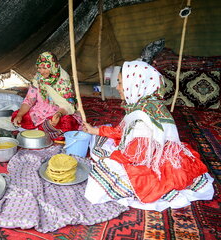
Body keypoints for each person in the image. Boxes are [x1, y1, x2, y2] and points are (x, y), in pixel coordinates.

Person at [83, 60, 214, 211]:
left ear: (135, 84)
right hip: (146, 150)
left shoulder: (144, 120)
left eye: (120, 83)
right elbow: (123, 131)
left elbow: (137, 158)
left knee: (103, 174)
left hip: (152, 163)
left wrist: (111, 158)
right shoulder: (144, 103)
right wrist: (94, 130)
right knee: (101, 136)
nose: (117, 87)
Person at [12, 52, 81, 140]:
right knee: (17, 116)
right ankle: (45, 128)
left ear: (53, 66)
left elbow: (68, 105)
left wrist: (59, 114)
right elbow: (29, 99)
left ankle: (45, 128)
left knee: (67, 123)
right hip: (40, 111)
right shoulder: (38, 78)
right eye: (39, 68)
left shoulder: (63, 80)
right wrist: (20, 114)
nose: (41, 71)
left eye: (45, 68)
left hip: (59, 112)